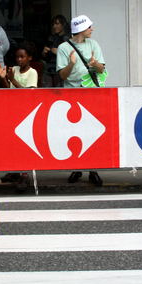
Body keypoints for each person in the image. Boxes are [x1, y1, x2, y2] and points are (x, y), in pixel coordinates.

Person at [56, 15, 106, 186]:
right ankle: (76, 168)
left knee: (92, 132)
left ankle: (93, 169)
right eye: (89, 26)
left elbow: (102, 69)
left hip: (91, 94)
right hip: (72, 95)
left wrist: (95, 63)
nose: (92, 29)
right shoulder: (63, 48)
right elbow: (62, 75)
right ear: (81, 29)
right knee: (74, 132)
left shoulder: (94, 44)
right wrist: (71, 63)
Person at [42, 15, 69, 87]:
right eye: (53, 24)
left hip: (60, 70)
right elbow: (44, 55)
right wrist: (44, 52)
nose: (54, 26)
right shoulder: (51, 37)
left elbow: (71, 55)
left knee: (59, 92)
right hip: (49, 68)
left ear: (63, 25)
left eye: (57, 24)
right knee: (47, 92)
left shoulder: (67, 39)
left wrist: (59, 52)